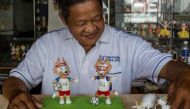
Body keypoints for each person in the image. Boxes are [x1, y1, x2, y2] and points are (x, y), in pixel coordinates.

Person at [2, 0, 190, 109]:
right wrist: (16, 93)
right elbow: (14, 81)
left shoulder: (127, 44)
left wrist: (186, 77)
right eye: (81, 22)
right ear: (64, 20)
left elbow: (172, 68)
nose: (91, 28)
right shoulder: (47, 44)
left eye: (97, 18)